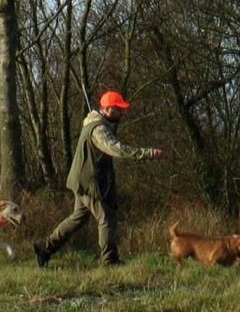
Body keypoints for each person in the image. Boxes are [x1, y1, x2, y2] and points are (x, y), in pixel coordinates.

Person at [33, 90, 163, 267]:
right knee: (106, 217)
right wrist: (147, 153)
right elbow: (116, 149)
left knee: (77, 218)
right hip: (89, 182)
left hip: (81, 180)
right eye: (118, 110)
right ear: (107, 109)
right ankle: (109, 261)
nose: (122, 113)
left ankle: (44, 248)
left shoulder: (96, 125)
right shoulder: (99, 130)